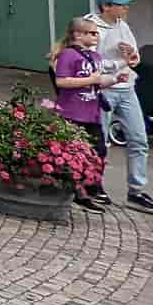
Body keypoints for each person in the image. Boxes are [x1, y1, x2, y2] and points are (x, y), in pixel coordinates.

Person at [92, 0, 153, 214]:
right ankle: (93, 184)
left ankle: (136, 191)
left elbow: (135, 57)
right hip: (104, 89)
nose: (126, 8)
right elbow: (91, 61)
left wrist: (132, 56)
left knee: (139, 139)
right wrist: (120, 63)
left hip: (127, 88)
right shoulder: (93, 27)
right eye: (120, 4)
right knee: (99, 140)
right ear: (106, 6)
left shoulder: (123, 25)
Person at [51, 15, 117, 213]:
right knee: (73, 154)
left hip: (91, 113)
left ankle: (90, 188)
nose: (97, 36)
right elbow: (62, 81)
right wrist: (91, 80)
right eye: (92, 33)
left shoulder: (95, 57)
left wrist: (113, 79)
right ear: (78, 35)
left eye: (97, 33)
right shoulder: (68, 55)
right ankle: (78, 192)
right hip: (72, 112)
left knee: (99, 151)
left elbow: (96, 82)